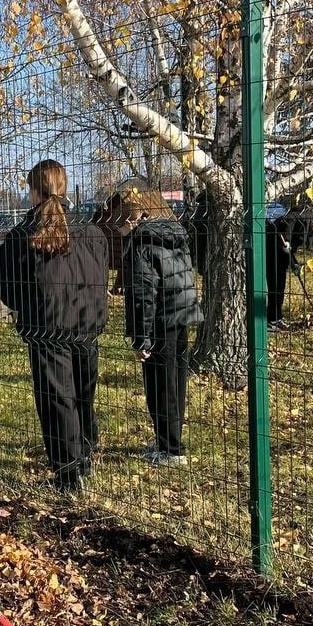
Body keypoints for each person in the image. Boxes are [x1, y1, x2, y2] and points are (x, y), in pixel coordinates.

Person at [0, 159, 108, 495]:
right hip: (86, 325)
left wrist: (29, 306)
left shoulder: (22, 236)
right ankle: (83, 458)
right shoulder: (91, 231)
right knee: (83, 395)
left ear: (34, 190)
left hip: (47, 328)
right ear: (64, 186)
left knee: (56, 400)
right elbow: (101, 276)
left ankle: (69, 477)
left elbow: (5, 284)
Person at [118, 189, 202, 467]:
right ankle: (169, 440)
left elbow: (143, 293)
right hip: (181, 315)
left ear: (140, 213)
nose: (122, 222)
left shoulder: (142, 242)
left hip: (158, 323)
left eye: (125, 215)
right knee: (175, 382)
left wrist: (141, 337)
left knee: (159, 386)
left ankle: (171, 450)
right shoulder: (175, 235)